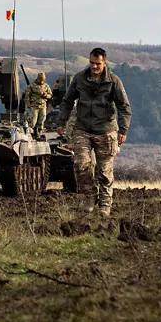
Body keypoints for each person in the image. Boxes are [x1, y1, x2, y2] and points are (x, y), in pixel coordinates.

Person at [59, 47, 132, 218]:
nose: (94, 66)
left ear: (104, 63)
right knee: (81, 165)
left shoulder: (113, 81)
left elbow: (124, 107)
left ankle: (105, 204)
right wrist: (61, 121)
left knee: (104, 171)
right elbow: (67, 101)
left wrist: (123, 130)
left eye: (98, 64)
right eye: (91, 62)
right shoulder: (79, 79)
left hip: (105, 131)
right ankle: (90, 197)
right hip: (82, 128)